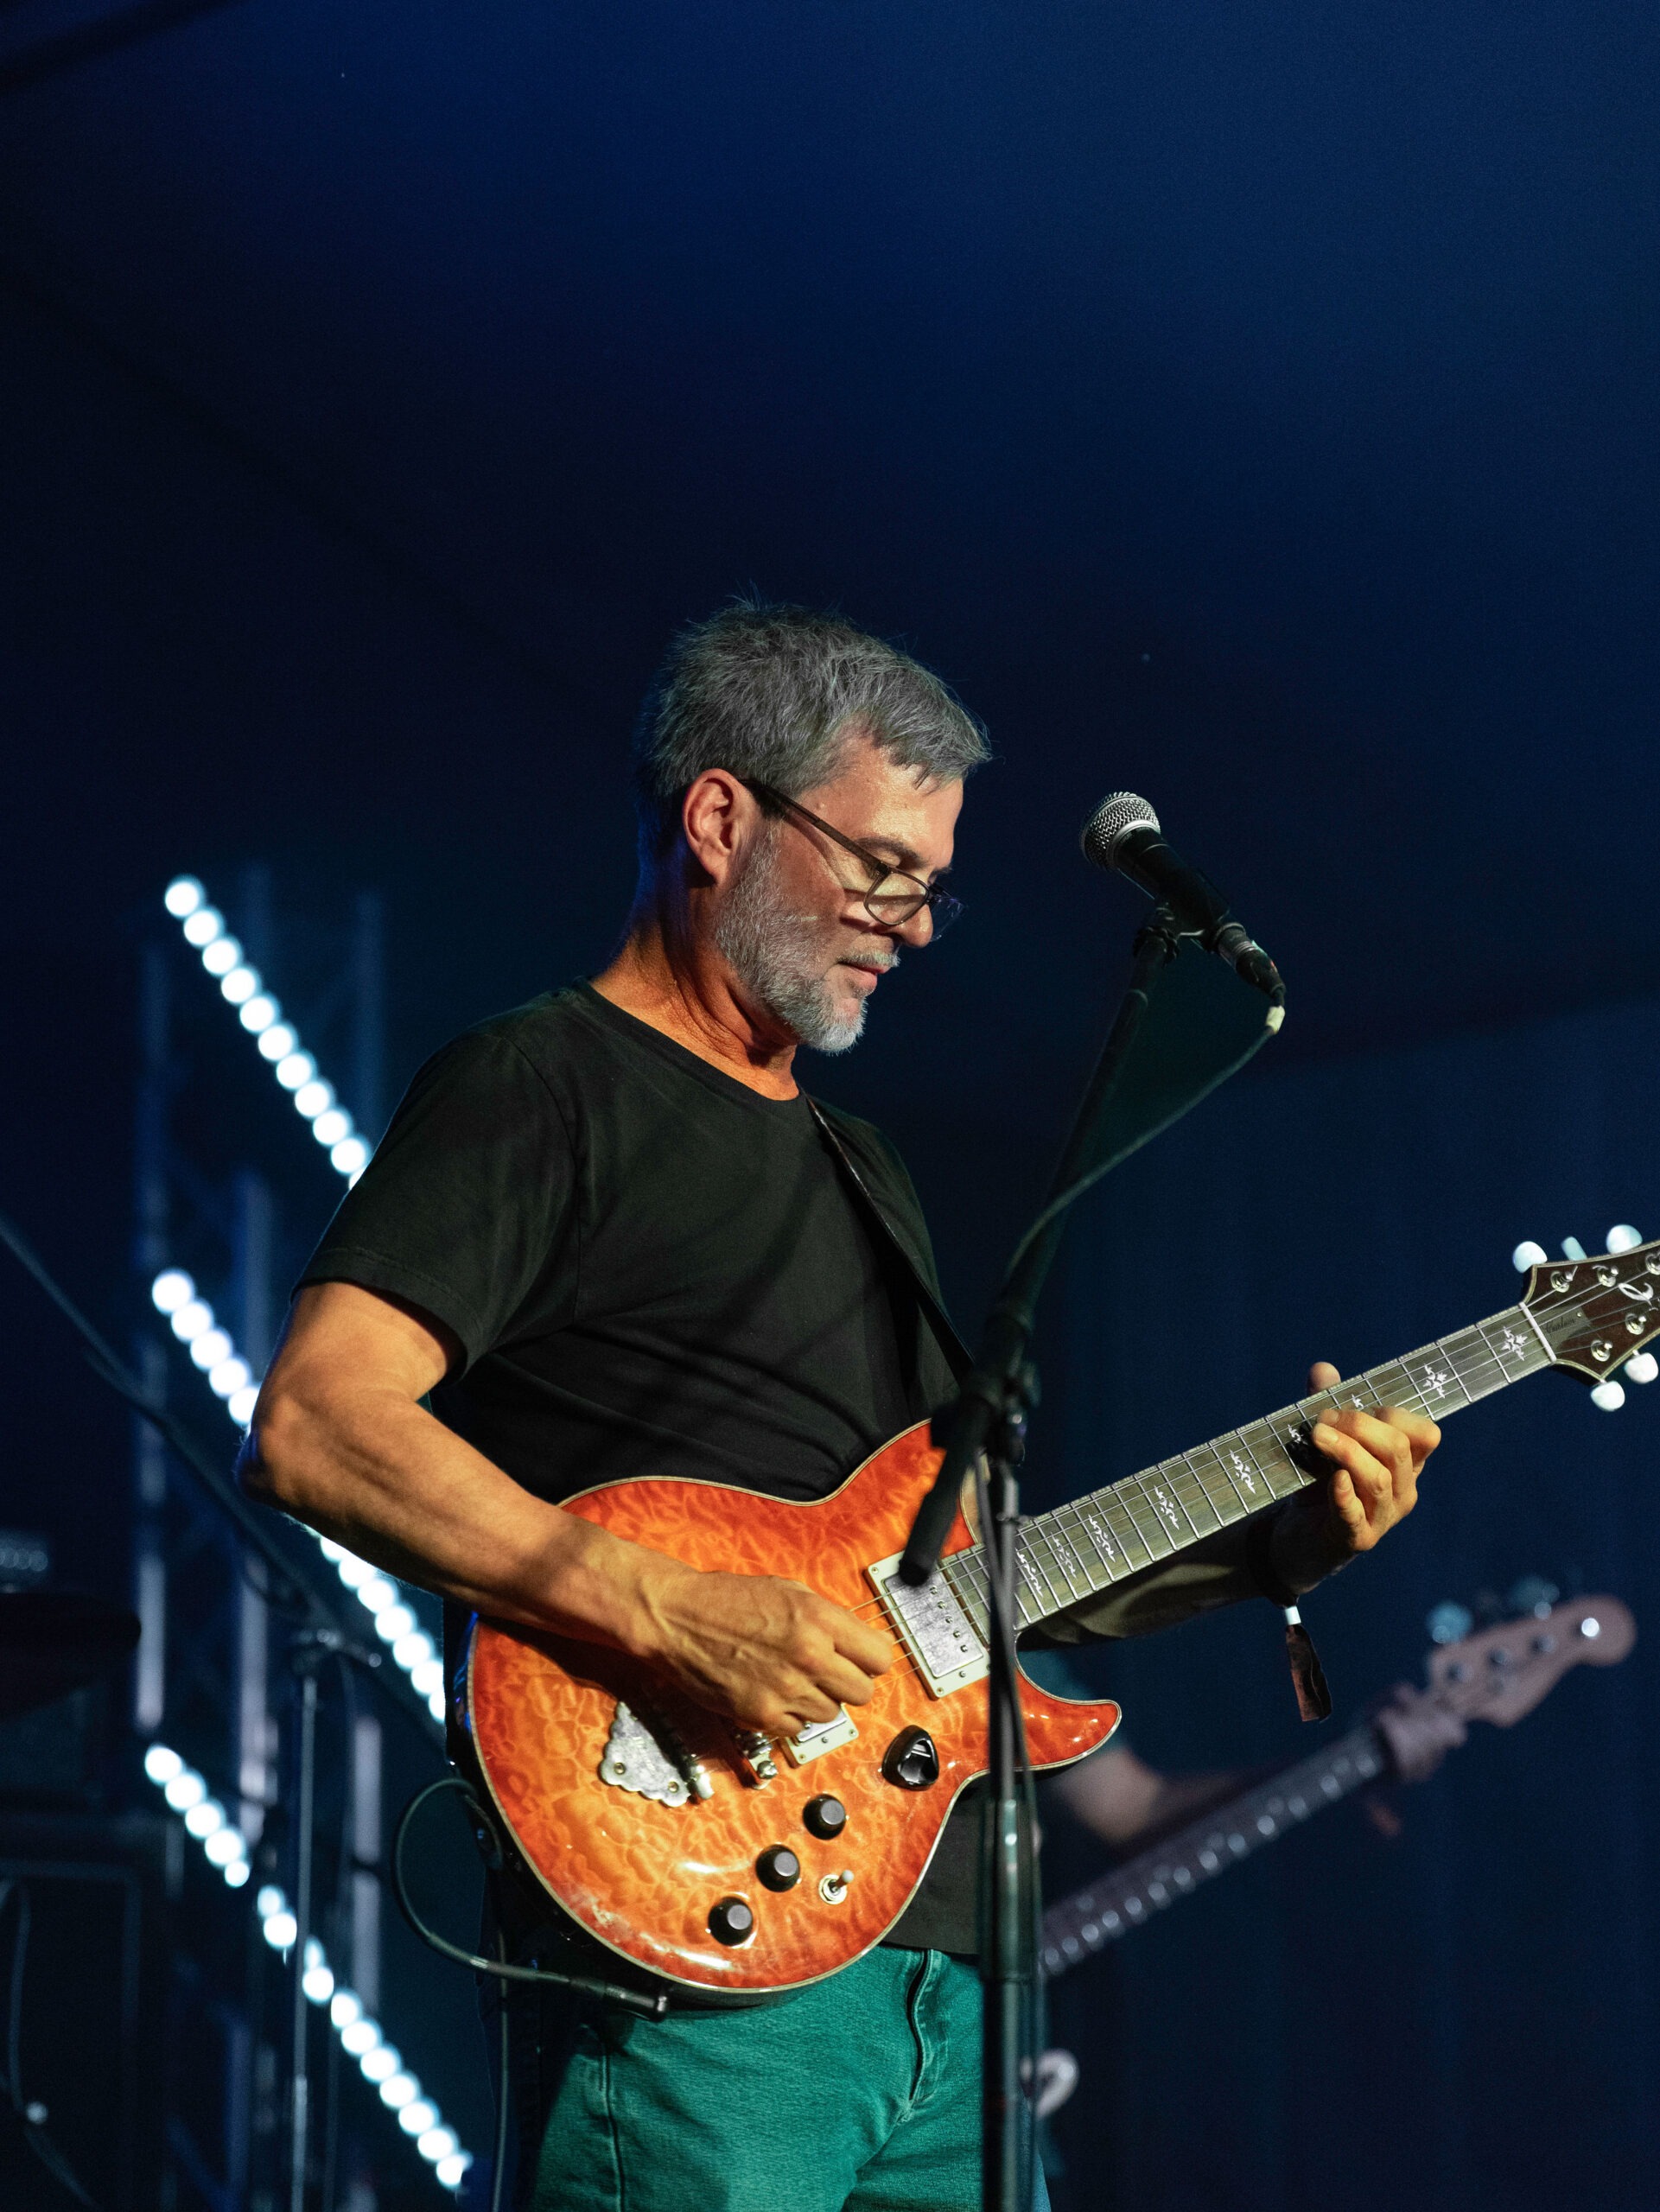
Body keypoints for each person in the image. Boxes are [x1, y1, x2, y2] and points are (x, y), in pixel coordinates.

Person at [241, 601, 1440, 2212]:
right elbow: (318, 1422)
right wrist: (662, 1607)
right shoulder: (539, 1083)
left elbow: (970, 1594)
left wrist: (1276, 1545)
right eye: (883, 870)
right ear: (718, 819)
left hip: (943, 1972)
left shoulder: (859, 1166)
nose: (917, 928)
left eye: (932, 885)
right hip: (698, 1964)